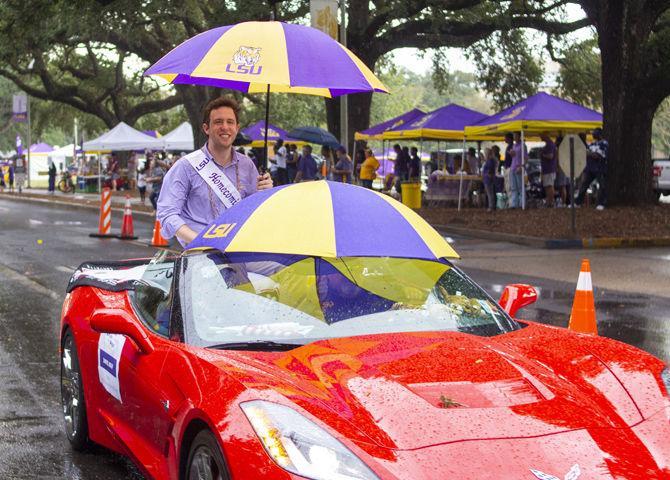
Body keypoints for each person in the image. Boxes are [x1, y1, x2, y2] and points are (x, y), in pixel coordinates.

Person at [157, 96, 272, 246]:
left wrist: (265, 193)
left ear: (237, 128)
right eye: (218, 122)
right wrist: (200, 241)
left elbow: (256, 211)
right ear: (206, 128)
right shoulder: (186, 166)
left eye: (230, 122)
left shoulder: (247, 165)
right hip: (199, 253)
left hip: (237, 248)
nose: (225, 127)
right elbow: (167, 214)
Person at [575, 127, 608, 210]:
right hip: (590, 168)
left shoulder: (604, 143)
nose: (593, 134)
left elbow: (598, 156)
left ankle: (601, 203)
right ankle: (578, 202)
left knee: (602, 186)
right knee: (584, 185)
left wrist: (589, 154)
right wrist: (590, 154)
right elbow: (585, 153)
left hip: (599, 168)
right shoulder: (592, 144)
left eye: (595, 133)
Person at [509, 132, 528, 208]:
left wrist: (522, 166)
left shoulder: (523, 145)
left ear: (519, 136)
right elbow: (514, 156)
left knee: (520, 187)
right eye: (514, 136)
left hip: (519, 167)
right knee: (513, 187)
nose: (514, 137)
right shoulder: (514, 145)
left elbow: (526, 158)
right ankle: (514, 204)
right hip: (513, 167)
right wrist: (512, 154)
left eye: (516, 136)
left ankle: (521, 203)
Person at [539, 133, 557, 207]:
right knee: (547, 186)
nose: (540, 137)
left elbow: (550, 156)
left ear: (545, 135)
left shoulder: (550, 144)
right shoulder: (549, 144)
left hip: (549, 168)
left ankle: (551, 202)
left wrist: (542, 155)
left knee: (550, 185)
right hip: (546, 169)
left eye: (541, 135)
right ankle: (548, 201)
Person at [481, 147, 498, 211]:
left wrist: (488, 174)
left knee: (490, 193)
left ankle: (491, 206)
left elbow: (490, 170)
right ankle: (491, 205)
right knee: (490, 193)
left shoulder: (490, 161)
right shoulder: (491, 160)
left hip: (488, 179)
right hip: (488, 179)